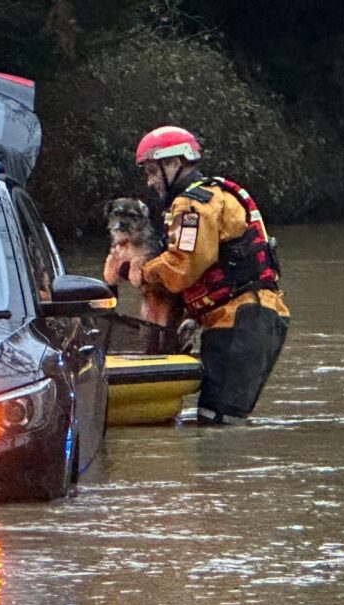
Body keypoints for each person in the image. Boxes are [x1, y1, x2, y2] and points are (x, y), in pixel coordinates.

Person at [117, 125, 290, 425]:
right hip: (254, 318)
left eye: (152, 171)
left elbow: (183, 266)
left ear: (173, 163)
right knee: (219, 421)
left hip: (240, 321)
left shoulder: (192, 206)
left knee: (218, 424)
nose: (150, 182)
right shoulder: (214, 194)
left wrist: (140, 272)